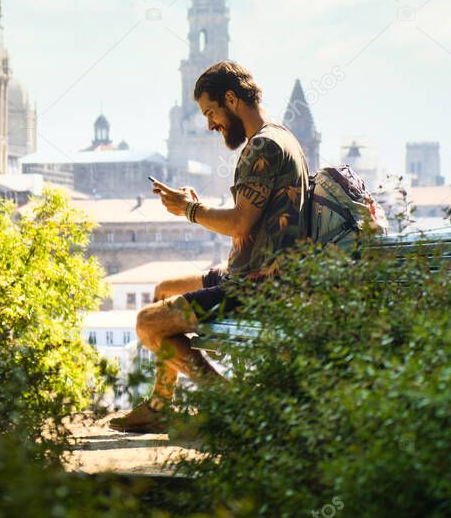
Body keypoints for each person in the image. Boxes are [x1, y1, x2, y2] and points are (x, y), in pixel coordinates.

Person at [108, 61, 309, 433]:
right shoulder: (281, 137)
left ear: (231, 99)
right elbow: (248, 218)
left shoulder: (263, 145)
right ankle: (159, 406)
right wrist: (196, 207)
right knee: (163, 291)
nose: (210, 124)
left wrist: (189, 210)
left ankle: (228, 404)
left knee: (147, 324)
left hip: (258, 286)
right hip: (248, 273)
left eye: (211, 112)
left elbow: (238, 222)